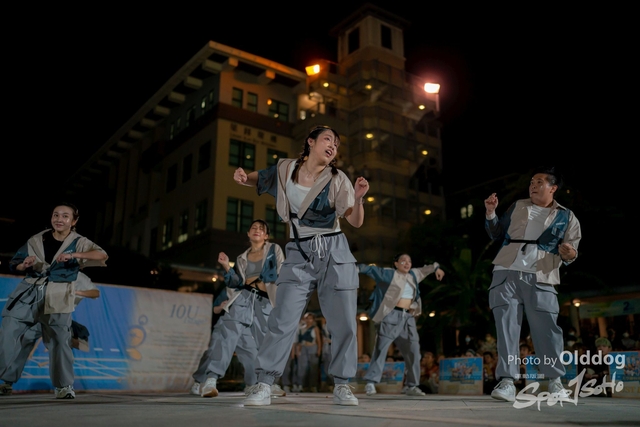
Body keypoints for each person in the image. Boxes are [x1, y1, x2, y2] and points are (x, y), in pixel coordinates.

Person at [233, 125, 369, 406]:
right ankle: (264, 383)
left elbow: (355, 221)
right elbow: (260, 178)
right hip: (298, 251)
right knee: (282, 318)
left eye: (336, 144)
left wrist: (358, 198)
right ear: (311, 142)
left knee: (344, 321)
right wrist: (244, 178)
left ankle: (342, 384)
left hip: (334, 250)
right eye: (328, 139)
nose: (333, 146)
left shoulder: (338, 178)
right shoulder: (285, 169)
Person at [484, 166, 581, 402]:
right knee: (506, 328)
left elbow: (572, 251)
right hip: (506, 271)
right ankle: (507, 382)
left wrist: (569, 253)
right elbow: (496, 233)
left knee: (547, 330)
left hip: (542, 275)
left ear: (553, 188)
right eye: (531, 182)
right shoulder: (518, 205)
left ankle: (555, 381)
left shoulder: (567, 216)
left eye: (539, 182)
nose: (533, 186)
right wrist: (491, 212)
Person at [0, 202, 108, 399]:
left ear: (74, 221)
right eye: (56, 215)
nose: (59, 219)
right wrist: (24, 265)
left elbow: (101, 255)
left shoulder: (79, 242)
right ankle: (5, 380)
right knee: (9, 332)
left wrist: (74, 255)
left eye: (65, 216)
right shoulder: (36, 239)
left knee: (60, 341)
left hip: (58, 296)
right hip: (29, 292)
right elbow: (15, 263)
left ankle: (63, 386)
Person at [193, 219, 284, 398]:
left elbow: (281, 274)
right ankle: (211, 380)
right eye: (253, 228)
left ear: (266, 236)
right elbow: (236, 283)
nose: (257, 230)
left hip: (264, 302)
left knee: (265, 345)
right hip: (243, 299)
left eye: (261, 229)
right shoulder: (242, 258)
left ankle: (266, 382)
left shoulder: (274, 250)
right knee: (226, 338)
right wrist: (226, 265)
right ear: (248, 234)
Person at [0, 271, 100, 396]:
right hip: (38, 312)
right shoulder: (49, 270)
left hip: (57, 315)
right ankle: (7, 382)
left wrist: (76, 292)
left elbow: (96, 292)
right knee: (23, 342)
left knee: (59, 344)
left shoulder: (79, 276)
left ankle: (63, 387)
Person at [359, 253, 445, 397]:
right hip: (391, 315)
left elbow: (427, 268)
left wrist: (437, 268)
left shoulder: (414, 274)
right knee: (381, 348)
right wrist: (353, 268)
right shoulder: (389, 274)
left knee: (414, 351)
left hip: (408, 318)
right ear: (396, 264)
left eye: (409, 261)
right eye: (403, 261)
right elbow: (370, 269)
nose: (407, 263)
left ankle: (412, 385)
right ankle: (371, 382)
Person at [295, 312, 322, 392]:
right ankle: (302, 385)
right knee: (302, 367)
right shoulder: (301, 328)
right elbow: (299, 342)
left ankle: (313, 386)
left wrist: (319, 349)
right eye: (307, 318)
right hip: (303, 348)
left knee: (313, 368)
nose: (308, 320)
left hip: (312, 348)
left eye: (310, 318)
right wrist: (298, 351)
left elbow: (318, 340)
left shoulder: (315, 328)